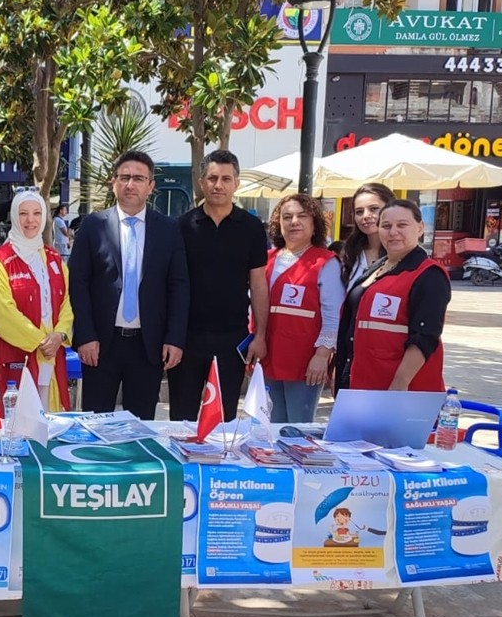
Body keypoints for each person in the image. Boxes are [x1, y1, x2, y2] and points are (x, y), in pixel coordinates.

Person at [69, 151, 188, 420]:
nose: (130, 184)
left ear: (151, 186)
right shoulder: (93, 226)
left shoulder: (168, 229)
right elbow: (78, 283)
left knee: (141, 427)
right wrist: (85, 335)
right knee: (96, 424)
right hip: (100, 345)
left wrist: (174, 338)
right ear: (114, 183)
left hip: (149, 347)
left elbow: (178, 286)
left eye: (138, 178)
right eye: (124, 177)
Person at [168, 149, 268, 421]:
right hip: (186, 339)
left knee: (223, 421)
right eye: (212, 178)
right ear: (201, 182)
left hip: (232, 338)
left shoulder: (252, 228)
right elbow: (170, 284)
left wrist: (260, 336)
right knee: (181, 418)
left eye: (226, 178)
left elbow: (259, 284)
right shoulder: (180, 226)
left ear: (236, 183)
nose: (218, 185)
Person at [336, 200, 451, 392]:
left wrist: (400, 383)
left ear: (420, 228)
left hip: (399, 390)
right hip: (361, 382)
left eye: (402, 225)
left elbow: (425, 336)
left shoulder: (429, 275)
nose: (393, 232)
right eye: (386, 226)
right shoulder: (377, 267)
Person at [0, 189, 74, 410]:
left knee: (49, 424)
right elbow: (0, 309)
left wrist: (59, 335)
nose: (30, 220)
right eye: (23, 213)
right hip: (16, 359)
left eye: (36, 213)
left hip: (51, 357)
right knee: (16, 426)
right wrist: (40, 340)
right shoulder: (0, 261)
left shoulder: (55, 260)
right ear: (14, 216)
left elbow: (68, 303)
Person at [261, 193, 345, 423]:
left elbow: (333, 315)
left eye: (302, 216)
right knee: (269, 427)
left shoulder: (326, 263)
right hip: (267, 357)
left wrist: (322, 355)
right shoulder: (267, 258)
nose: (294, 222)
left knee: (297, 428)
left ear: (314, 222)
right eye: (287, 217)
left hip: (305, 361)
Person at [339, 183, 396, 289]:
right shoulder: (350, 253)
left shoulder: (404, 254)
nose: (365, 216)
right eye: (359, 211)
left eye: (374, 209)